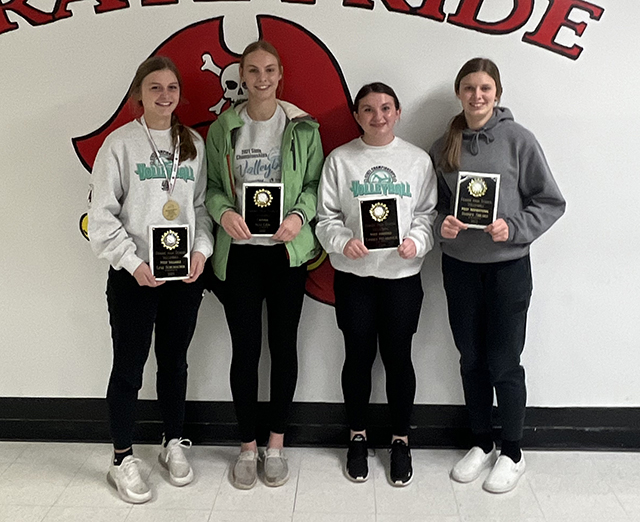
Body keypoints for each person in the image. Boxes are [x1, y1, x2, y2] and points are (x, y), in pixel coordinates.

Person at [429, 58, 566, 493]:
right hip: (460, 267)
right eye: (469, 87)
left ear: (497, 94)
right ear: (459, 93)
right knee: (470, 359)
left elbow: (550, 201)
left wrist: (514, 228)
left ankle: (513, 451)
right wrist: (443, 225)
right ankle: (481, 442)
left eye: (485, 88)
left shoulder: (519, 140)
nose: (477, 95)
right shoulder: (443, 145)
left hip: (508, 268)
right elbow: (431, 208)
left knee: (504, 361)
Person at [88, 56, 213, 503]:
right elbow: (101, 216)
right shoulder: (119, 145)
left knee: (175, 362)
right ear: (138, 93)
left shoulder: (192, 143)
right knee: (129, 367)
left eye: (171, 88)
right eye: (155, 87)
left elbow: (199, 207)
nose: (164, 95)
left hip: (183, 276)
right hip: (134, 276)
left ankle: (172, 441)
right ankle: (121, 458)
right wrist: (131, 261)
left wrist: (201, 251)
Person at [205, 40, 323, 489]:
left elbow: (315, 184)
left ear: (280, 75)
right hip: (240, 254)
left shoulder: (302, 127)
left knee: (284, 347)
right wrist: (223, 213)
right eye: (253, 71)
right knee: (245, 350)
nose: (262, 78)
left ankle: (276, 444)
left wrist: (298, 217)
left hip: (285, 253)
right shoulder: (223, 128)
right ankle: (247, 447)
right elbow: (212, 187)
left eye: (270, 70)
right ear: (242, 76)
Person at [316, 82, 437, 486]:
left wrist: (416, 241)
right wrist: (341, 241)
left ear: (398, 112)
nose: (378, 116)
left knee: (399, 359)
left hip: (401, 278)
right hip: (355, 279)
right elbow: (326, 217)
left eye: (386, 108)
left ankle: (400, 440)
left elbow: (427, 214)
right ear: (356, 116)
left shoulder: (417, 160)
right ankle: (357, 436)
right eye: (368, 109)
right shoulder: (340, 160)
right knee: (357, 359)